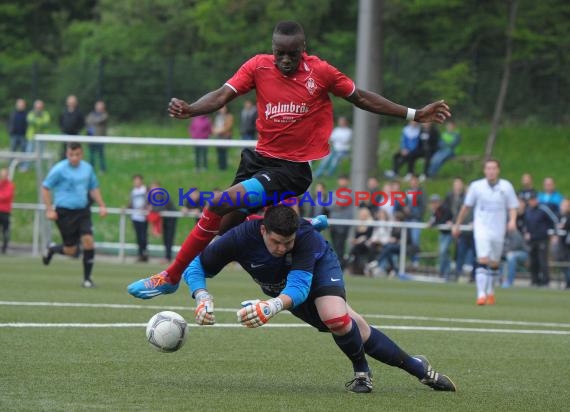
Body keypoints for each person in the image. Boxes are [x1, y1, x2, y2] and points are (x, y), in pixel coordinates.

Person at [128, 20, 451, 299]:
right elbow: (222, 95)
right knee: (220, 238)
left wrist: (413, 114)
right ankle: (305, 228)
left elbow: (362, 97)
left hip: (292, 170)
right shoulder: (258, 66)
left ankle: (170, 277)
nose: (284, 59)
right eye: (279, 52)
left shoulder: (321, 72)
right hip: (257, 163)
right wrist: (191, 109)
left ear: (303, 50)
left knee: (218, 203)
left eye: (291, 54)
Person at [183, 205, 456, 393]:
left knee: (335, 317)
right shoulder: (238, 238)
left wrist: (272, 305)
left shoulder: (305, 239)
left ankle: (364, 373)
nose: (282, 248)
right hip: (285, 287)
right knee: (354, 327)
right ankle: (417, 366)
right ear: (263, 231)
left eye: (287, 243)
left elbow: (300, 288)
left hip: (319, 267)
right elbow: (196, 266)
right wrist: (202, 296)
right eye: (276, 242)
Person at [452, 159, 519, 305]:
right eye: (488, 168)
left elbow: (512, 206)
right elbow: (466, 207)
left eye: (494, 168)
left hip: (498, 229)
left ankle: (490, 291)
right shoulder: (477, 186)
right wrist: (457, 224)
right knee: (483, 259)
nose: (491, 171)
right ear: (484, 171)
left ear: (498, 170)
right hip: (481, 227)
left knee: (494, 263)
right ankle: (481, 294)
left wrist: (512, 220)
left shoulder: (506, 186)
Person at [41, 142, 107, 287]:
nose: (75, 158)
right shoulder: (59, 169)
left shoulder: (87, 169)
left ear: (81, 154)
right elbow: (46, 188)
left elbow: (93, 188)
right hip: (64, 212)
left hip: (82, 211)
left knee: (88, 240)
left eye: (77, 155)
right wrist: (49, 209)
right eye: (72, 155)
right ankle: (52, 249)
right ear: (67, 154)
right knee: (71, 251)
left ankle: (87, 279)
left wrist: (102, 205)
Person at [523, 190, 558, 286]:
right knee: (533, 260)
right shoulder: (528, 210)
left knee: (542, 260)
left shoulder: (543, 209)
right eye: (530, 200)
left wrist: (551, 232)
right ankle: (534, 280)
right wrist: (526, 232)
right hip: (532, 239)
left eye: (533, 199)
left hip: (542, 238)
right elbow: (526, 224)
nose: (532, 201)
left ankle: (545, 280)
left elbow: (554, 220)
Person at [501, 200, 529, 288]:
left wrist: (506, 252)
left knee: (511, 256)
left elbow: (517, 245)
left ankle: (509, 281)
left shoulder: (514, 232)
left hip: (523, 252)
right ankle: (497, 280)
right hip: (507, 252)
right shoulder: (501, 233)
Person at [149, 181, 178, 263]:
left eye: (154, 187)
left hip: (170, 218)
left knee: (168, 238)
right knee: (166, 238)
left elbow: (160, 208)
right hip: (166, 218)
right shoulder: (155, 196)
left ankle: (168, 257)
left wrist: (151, 208)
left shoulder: (160, 195)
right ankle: (167, 256)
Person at [428, 194, 454, 280]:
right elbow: (434, 220)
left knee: (443, 251)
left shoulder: (445, 209)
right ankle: (445, 272)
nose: (434, 204)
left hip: (448, 234)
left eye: (435, 202)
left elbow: (442, 220)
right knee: (443, 253)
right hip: (442, 234)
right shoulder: (435, 211)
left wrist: (434, 224)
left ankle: (444, 272)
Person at [22, 99, 51, 172]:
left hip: (42, 137)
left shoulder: (46, 114)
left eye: (40, 107)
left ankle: (38, 167)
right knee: (29, 152)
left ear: (42, 107)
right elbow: (30, 121)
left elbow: (46, 123)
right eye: (37, 107)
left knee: (40, 153)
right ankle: (26, 167)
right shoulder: (31, 113)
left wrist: (36, 121)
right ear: (34, 107)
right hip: (32, 136)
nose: (38, 109)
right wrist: (39, 121)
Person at [128, 174, 148, 262]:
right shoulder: (133, 191)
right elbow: (131, 203)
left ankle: (144, 253)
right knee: (138, 236)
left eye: (138, 180)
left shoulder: (145, 190)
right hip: (135, 216)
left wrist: (144, 207)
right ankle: (140, 254)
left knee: (143, 236)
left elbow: (149, 201)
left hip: (143, 216)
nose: (136, 182)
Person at [86, 100, 108, 173]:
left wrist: (93, 121)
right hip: (91, 137)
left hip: (100, 138)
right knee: (91, 154)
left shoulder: (105, 114)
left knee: (101, 154)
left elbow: (99, 120)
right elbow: (88, 121)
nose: (99, 108)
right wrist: (94, 121)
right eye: (98, 106)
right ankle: (91, 168)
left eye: (100, 106)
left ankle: (102, 169)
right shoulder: (91, 114)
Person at [212, 105, 234, 171]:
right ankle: (220, 166)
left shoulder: (229, 116)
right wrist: (214, 130)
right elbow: (214, 125)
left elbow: (228, 127)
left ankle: (224, 167)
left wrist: (219, 131)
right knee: (219, 151)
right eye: (221, 108)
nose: (222, 109)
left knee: (224, 152)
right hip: (218, 136)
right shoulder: (217, 117)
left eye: (223, 108)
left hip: (225, 136)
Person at [0, 168, 15, 254]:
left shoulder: (10, 185)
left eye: (4, 174)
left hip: (5, 211)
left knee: (5, 231)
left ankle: (4, 249)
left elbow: (6, 196)